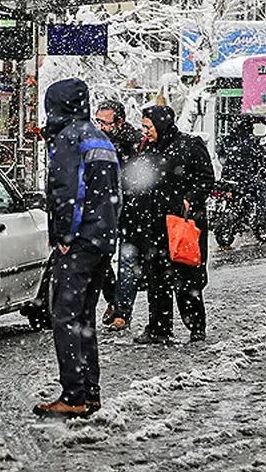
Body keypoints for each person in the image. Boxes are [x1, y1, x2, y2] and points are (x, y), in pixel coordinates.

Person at [33, 78, 121, 418]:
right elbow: (114, 193)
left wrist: (65, 237)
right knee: (84, 317)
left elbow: (67, 191)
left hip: (80, 240)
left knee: (65, 315)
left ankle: (73, 394)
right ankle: (90, 391)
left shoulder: (70, 138)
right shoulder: (100, 137)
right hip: (101, 239)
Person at [129, 104, 215, 344]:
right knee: (157, 278)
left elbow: (206, 179)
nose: (146, 131)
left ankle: (196, 328)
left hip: (182, 224)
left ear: (162, 124)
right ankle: (158, 328)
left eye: (149, 126)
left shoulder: (190, 145)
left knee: (187, 278)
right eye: (144, 126)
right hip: (154, 225)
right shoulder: (147, 148)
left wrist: (190, 199)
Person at [94, 100, 143, 331]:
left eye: (106, 122)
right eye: (98, 121)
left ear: (119, 122)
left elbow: (138, 177)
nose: (101, 126)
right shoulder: (97, 141)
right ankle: (114, 299)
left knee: (127, 260)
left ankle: (122, 312)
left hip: (130, 210)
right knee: (100, 258)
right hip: (106, 209)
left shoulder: (133, 144)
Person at [218, 113, 266, 226]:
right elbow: (262, 157)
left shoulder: (227, 140)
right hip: (245, 178)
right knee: (263, 187)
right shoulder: (251, 141)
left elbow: (221, 157)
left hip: (227, 177)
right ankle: (260, 216)